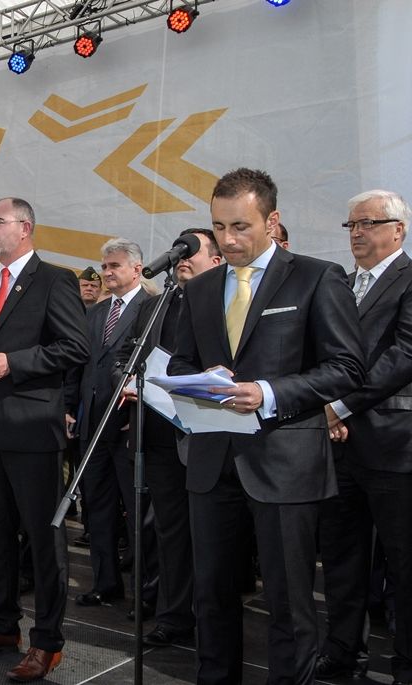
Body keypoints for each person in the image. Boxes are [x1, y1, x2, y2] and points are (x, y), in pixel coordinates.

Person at [168, 168, 364, 685]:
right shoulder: (202, 288)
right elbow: (184, 361)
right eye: (219, 227)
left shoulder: (317, 277)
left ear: (272, 221)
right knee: (210, 596)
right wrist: (195, 379)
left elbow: (347, 367)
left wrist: (269, 393)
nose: (228, 240)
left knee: (288, 602)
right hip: (210, 461)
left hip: (285, 462)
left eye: (241, 226)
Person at [0, 196, 89, 682]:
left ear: (25, 228)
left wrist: (13, 362)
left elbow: (75, 346)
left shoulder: (55, 280)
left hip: (32, 430)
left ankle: (47, 642)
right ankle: (1, 625)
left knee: (44, 540)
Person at [316, 189, 412, 683]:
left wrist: (340, 404)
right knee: (341, 558)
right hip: (337, 445)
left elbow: (404, 356)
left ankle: (406, 665)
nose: (357, 233)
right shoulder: (341, 283)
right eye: (351, 225)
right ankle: (342, 651)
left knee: (402, 563)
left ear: (398, 230)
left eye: (368, 223)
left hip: (394, 445)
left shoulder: (409, 279)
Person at [115, 228, 223, 647]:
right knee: (168, 530)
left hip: (205, 433)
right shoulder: (156, 304)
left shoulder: (224, 300)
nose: (183, 256)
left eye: (192, 250)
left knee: (211, 534)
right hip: (158, 430)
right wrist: (125, 380)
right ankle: (173, 616)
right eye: (179, 249)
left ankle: (213, 620)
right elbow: (127, 354)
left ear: (215, 260)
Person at [73, 238, 154, 611]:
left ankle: (146, 593)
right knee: (98, 510)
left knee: (138, 515)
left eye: (114, 266)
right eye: (104, 267)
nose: (106, 273)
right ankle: (106, 584)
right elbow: (81, 366)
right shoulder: (94, 314)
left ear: (136, 269)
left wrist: (137, 413)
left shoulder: (151, 309)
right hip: (92, 427)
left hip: (127, 427)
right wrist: (69, 407)